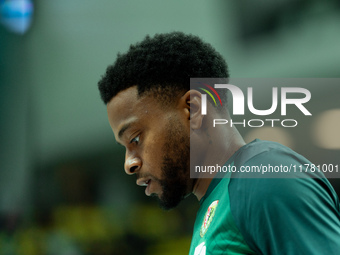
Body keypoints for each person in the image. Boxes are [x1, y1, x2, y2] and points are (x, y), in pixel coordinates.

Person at [97, 32, 340, 254]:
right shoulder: (217, 205)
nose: (129, 163)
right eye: (125, 148)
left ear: (192, 110)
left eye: (135, 139)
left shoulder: (262, 180)